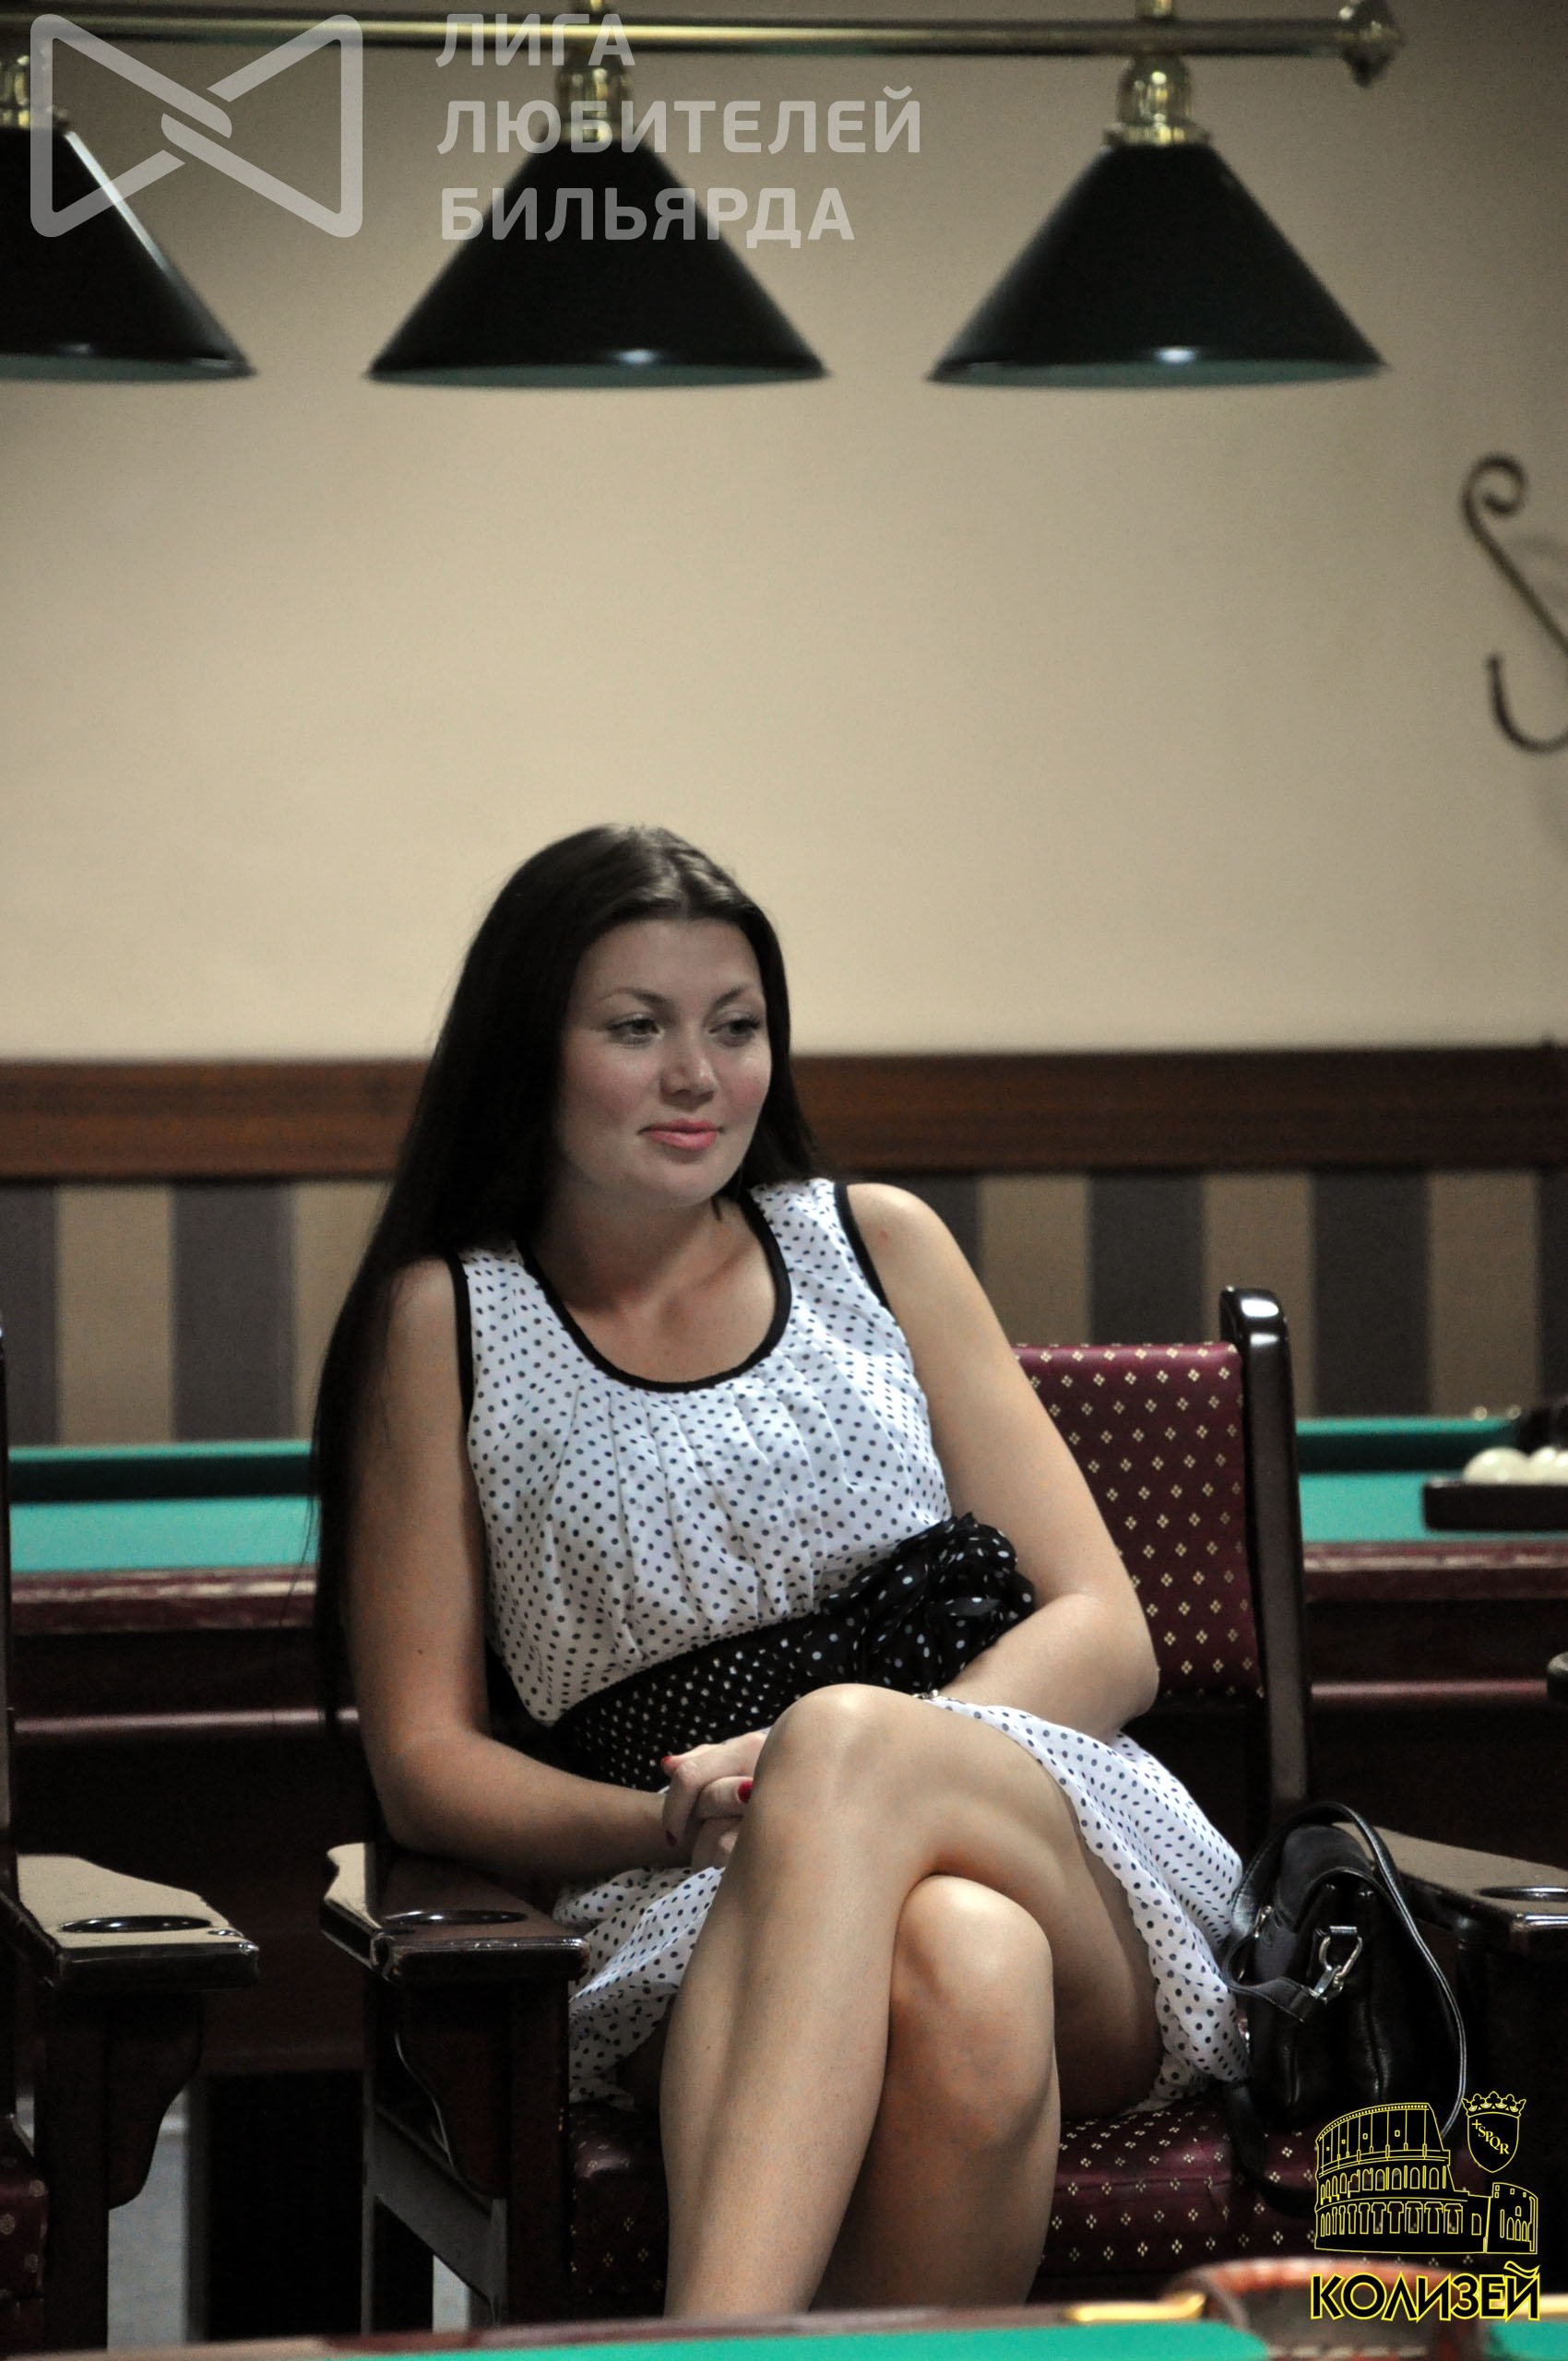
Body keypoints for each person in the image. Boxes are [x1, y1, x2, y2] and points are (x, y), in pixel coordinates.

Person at [314, 825, 1245, 2319]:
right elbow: (424, 1763)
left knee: (853, 1755)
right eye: (638, 1028)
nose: (699, 1075)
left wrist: (831, 1758)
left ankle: (703, 2349)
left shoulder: (881, 1244)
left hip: (1040, 1826)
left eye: (736, 1028)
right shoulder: (447, 1319)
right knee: (967, 1971)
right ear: (528, 1048)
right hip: (689, 1889)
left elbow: (1105, 1630)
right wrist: (676, 1817)